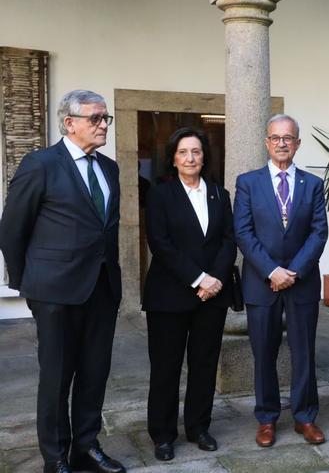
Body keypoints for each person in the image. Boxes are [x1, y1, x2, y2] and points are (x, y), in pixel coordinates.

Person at [0, 90, 125, 473]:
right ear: (69, 123)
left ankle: (85, 447)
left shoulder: (109, 168)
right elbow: (11, 229)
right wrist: (29, 284)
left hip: (101, 289)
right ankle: (55, 458)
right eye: (96, 118)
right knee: (56, 377)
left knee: (94, 373)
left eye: (106, 119)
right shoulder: (41, 164)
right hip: (54, 292)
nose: (104, 125)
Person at [234, 114, 329, 447]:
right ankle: (267, 418)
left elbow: (319, 232)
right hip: (262, 282)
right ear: (267, 143)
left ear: (298, 143)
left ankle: (305, 417)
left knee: (304, 351)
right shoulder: (248, 182)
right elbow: (243, 232)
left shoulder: (313, 184)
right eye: (276, 138)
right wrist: (272, 271)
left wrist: (294, 271)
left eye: (288, 138)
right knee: (264, 352)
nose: (282, 143)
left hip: (301, 282)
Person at [141, 127, 236, 461]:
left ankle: (198, 426)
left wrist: (215, 280)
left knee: (204, 363)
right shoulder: (159, 194)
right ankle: (163, 434)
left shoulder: (219, 195)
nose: (190, 158)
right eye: (183, 152)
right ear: (173, 157)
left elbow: (228, 240)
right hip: (170, 295)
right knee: (166, 367)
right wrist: (199, 279)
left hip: (212, 296)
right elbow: (160, 244)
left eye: (196, 152)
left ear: (204, 156)